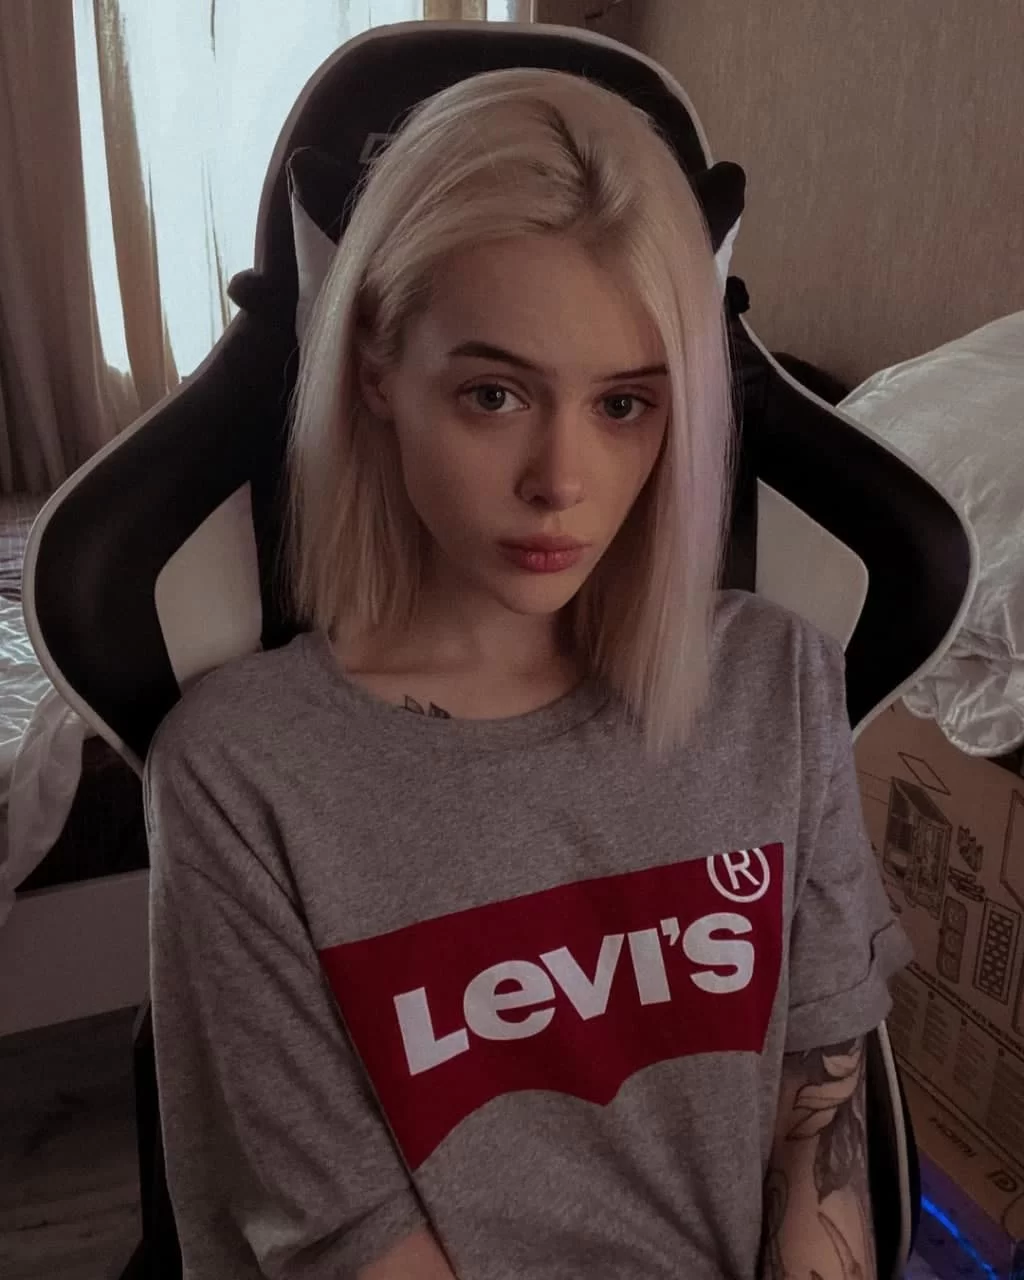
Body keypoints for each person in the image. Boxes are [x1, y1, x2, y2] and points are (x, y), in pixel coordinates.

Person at [144, 65, 911, 1280]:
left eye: (623, 405)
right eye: (494, 393)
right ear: (377, 369)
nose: (561, 479)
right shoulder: (244, 772)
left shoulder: (775, 686)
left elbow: (819, 1136)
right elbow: (348, 1237)